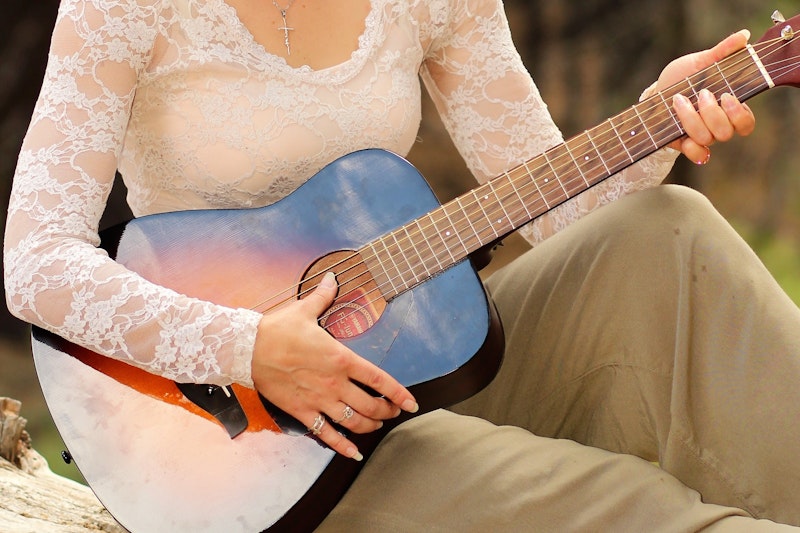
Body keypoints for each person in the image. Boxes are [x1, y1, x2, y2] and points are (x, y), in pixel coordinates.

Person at [4, 0, 799, 530]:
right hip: (262, 447)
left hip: (418, 360)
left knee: (667, 229)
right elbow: (36, 261)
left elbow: (562, 215)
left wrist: (657, 122)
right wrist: (248, 347)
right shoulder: (122, 7)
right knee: (642, 512)